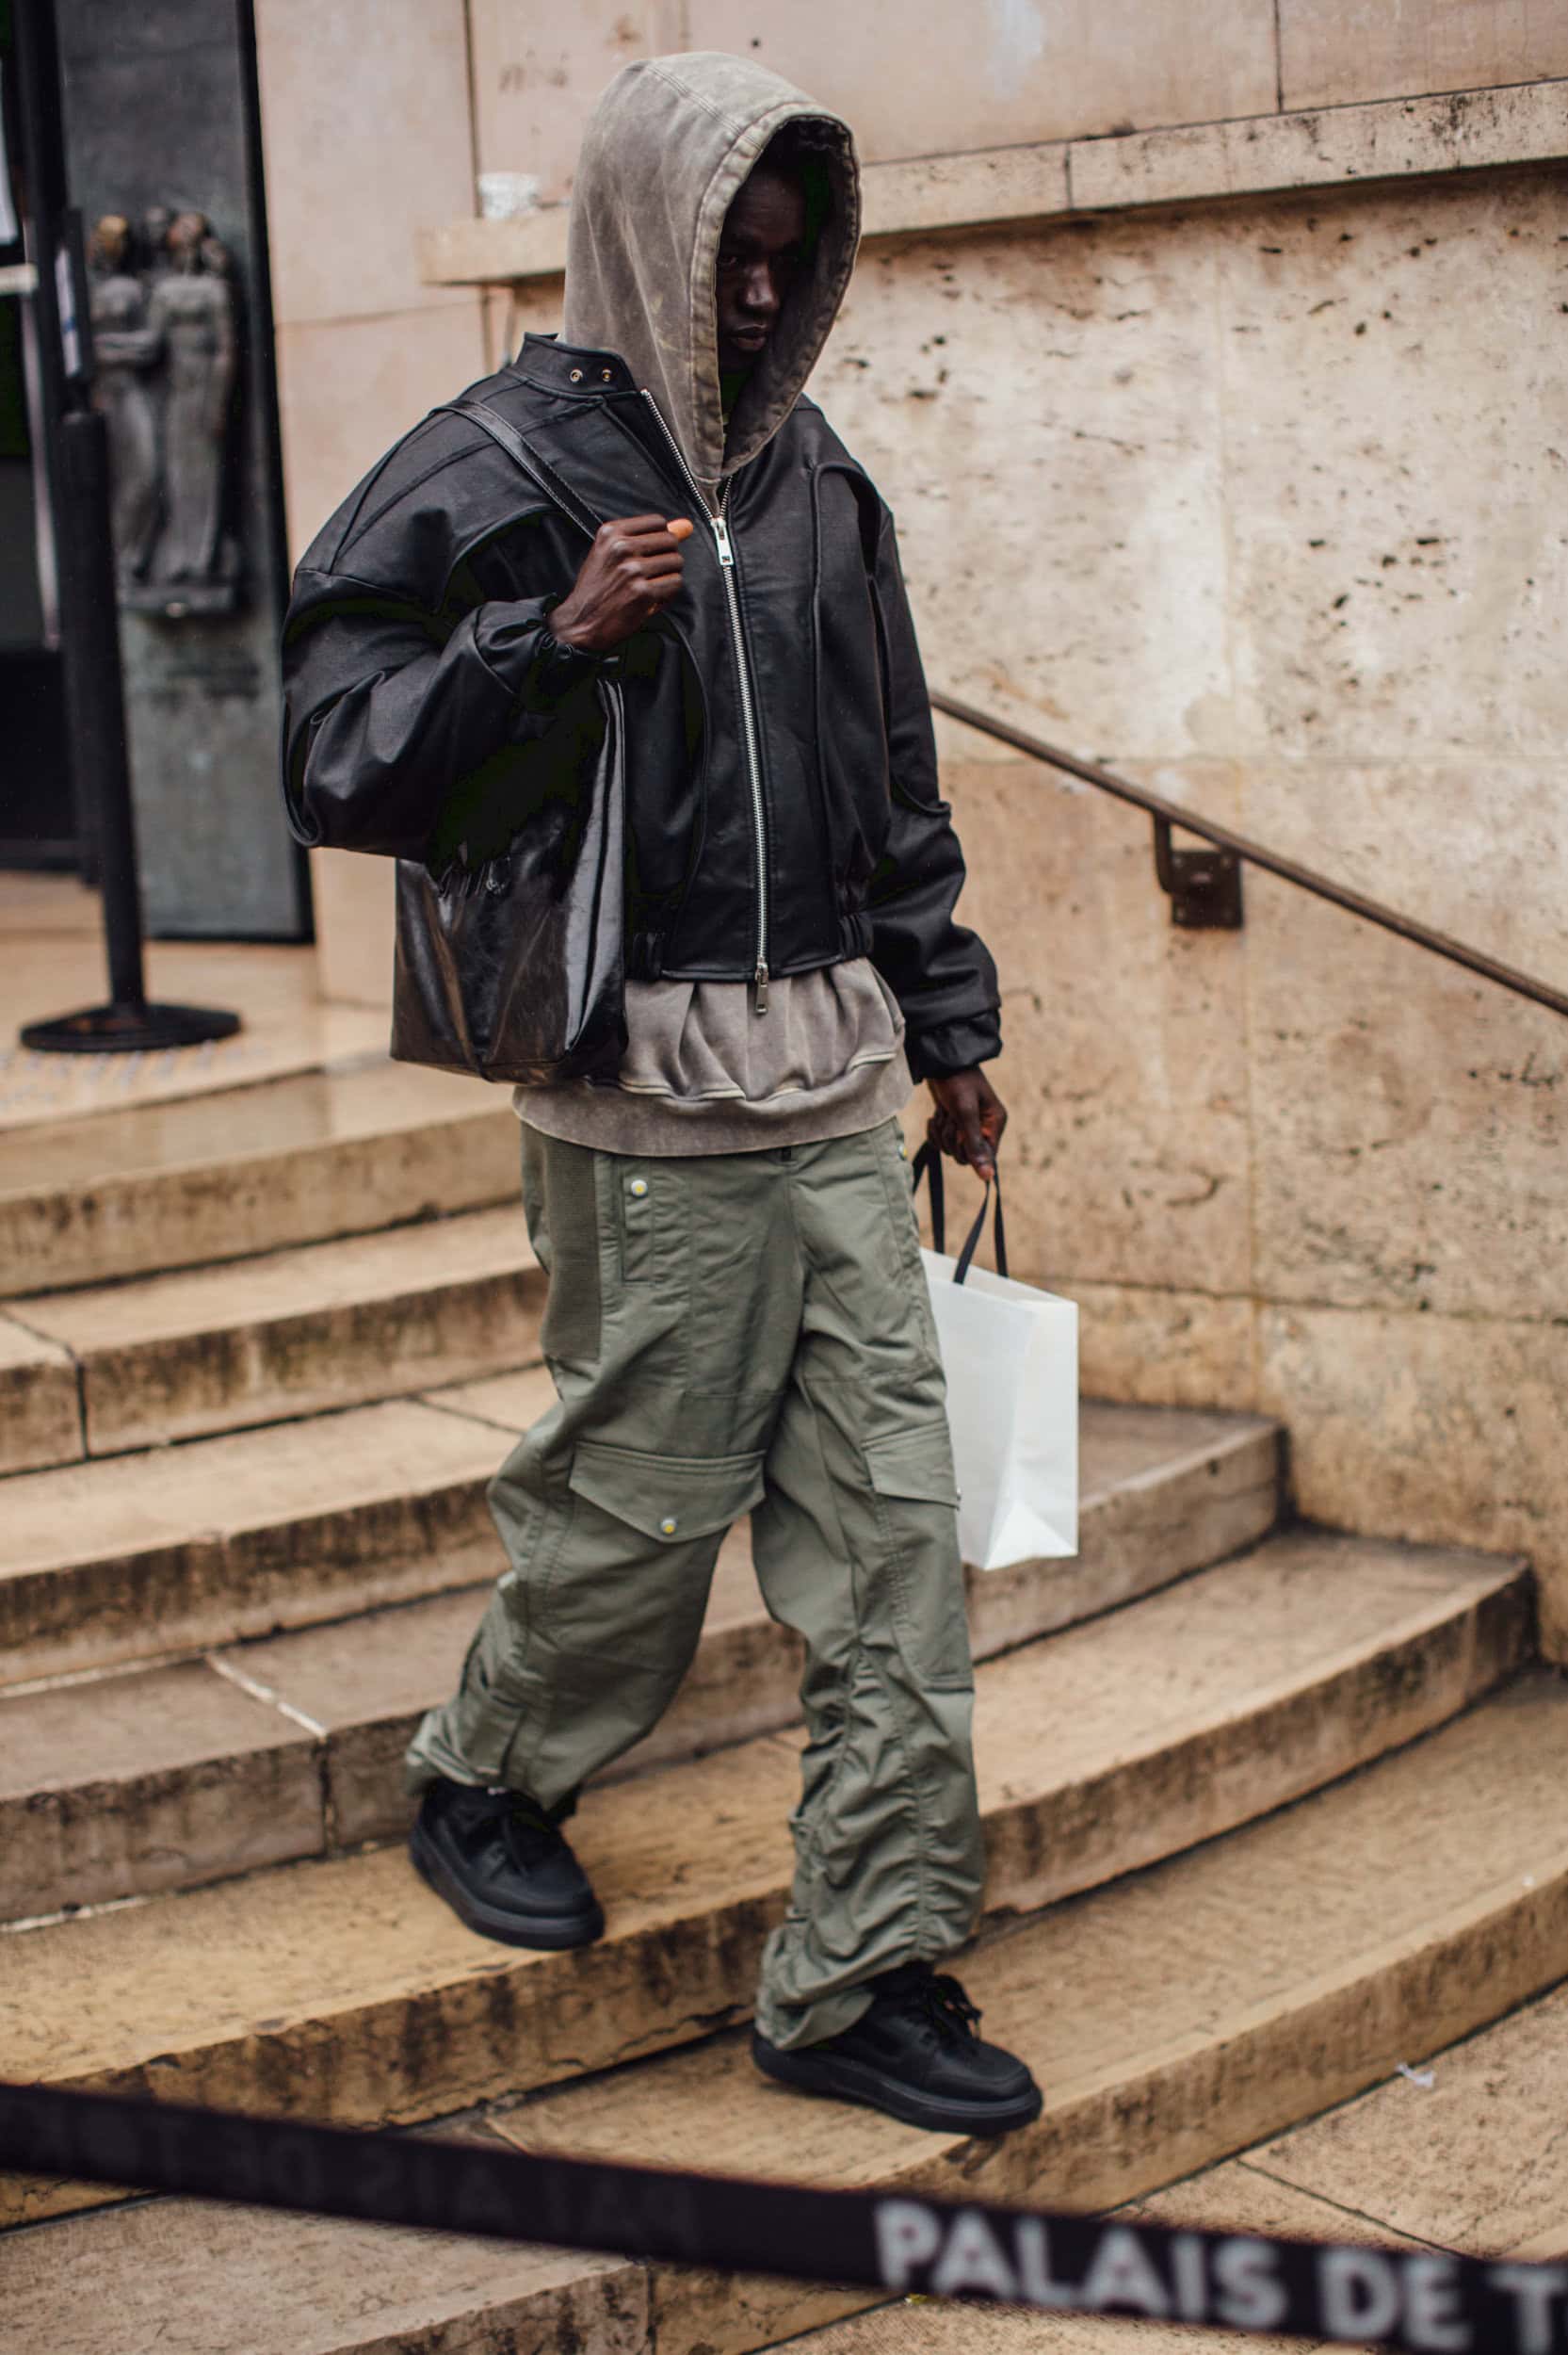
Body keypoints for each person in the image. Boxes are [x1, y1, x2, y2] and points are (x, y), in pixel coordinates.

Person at [280, 51, 1041, 2138]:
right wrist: (544, 638)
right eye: (727, 258)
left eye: (786, 263)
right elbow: (331, 755)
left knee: (895, 1539)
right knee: (634, 1517)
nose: (756, 299)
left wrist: (948, 1025)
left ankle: (857, 1964)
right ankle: (484, 1772)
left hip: (832, 1079)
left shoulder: (818, 481)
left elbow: (891, 774)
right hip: (640, 1098)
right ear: (642, 236)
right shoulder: (490, 463)